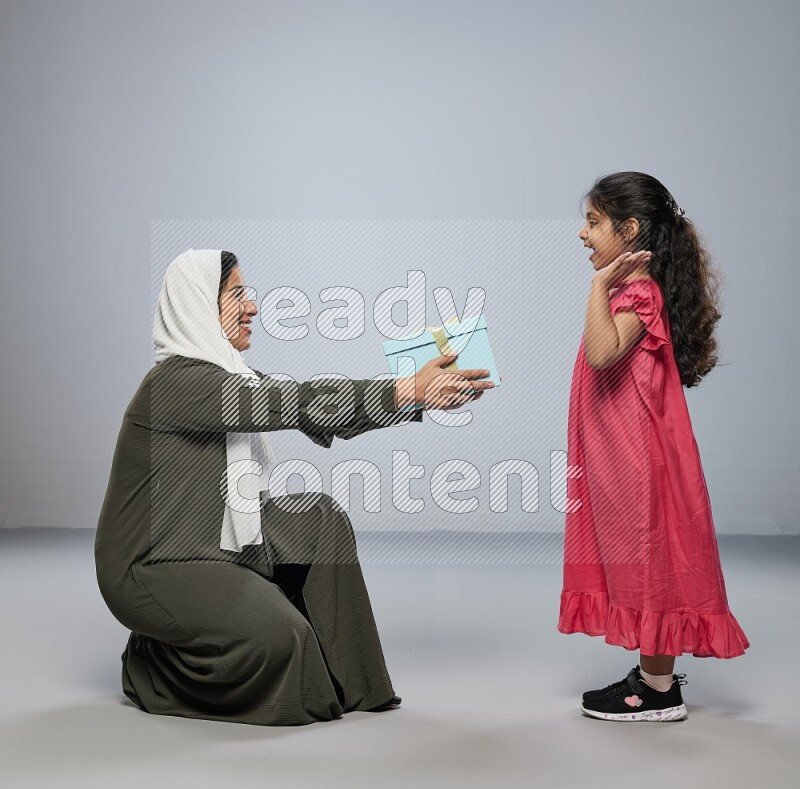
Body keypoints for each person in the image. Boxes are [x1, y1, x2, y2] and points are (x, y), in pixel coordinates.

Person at [95, 249, 494, 727]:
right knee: (283, 640)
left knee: (320, 519)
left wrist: (416, 396)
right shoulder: (176, 383)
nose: (253, 307)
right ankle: (152, 663)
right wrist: (403, 390)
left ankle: (354, 682)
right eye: (237, 294)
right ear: (200, 305)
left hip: (209, 537)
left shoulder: (231, 377)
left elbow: (314, 409)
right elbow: (294, 402)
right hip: (155, 563)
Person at [557, 172, 749, 722]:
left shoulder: (636, 291)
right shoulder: (633, 289)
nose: (583, 234)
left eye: (593, 222)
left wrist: (596, 288)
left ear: (630, 228)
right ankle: (653, 677)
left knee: (648, 558)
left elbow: (601, 353)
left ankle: (658, 691)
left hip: (637, 459)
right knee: (646, 558)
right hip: (623, 452)